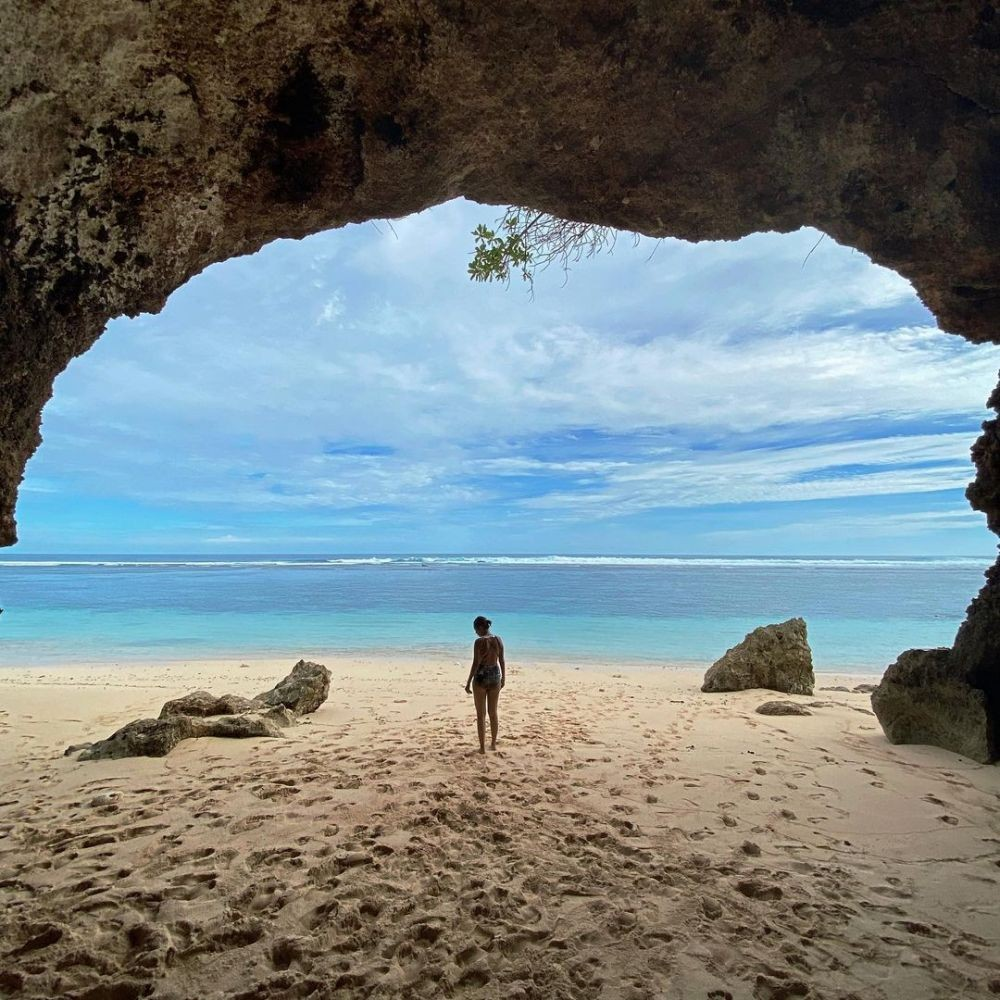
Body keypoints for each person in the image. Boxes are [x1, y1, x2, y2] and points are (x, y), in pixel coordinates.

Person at [464, 615, 505, 753]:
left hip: (481, 677)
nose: (476, 633)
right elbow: (502, 660)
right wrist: (503, 678)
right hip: (495, 676)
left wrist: (468, 682)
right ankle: (493, 744)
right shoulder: (498, 639)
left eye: (476, 630)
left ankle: (482, 748)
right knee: (493, 712)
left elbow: (476, 663)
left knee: (481, 715)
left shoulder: (479, 642)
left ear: (481, 627)